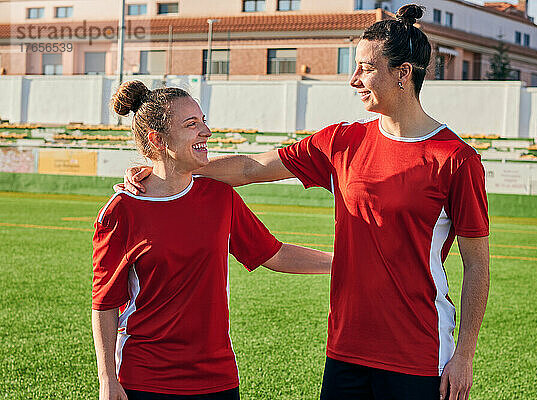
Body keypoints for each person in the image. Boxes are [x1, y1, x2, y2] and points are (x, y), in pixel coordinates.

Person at [123, 4, 490, 400]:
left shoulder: (455, 160)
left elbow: (476, 263)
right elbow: (251, 169)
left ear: (403, 73)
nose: (353, 80)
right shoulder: (342, 141)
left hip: (418, 353)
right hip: (346, 349)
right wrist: (169, 171)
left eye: (366, 68)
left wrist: (465, 353)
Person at [92, 80, 333, 400]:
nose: (206, 131)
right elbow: (105, 303)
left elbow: (274, 254)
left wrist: (344, 263)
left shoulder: (220, 197)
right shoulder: (121, 211)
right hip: (146, 378)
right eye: (192, 124)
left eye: (204, 121)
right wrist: (108, 378)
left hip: (217, 377)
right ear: (157, 139)